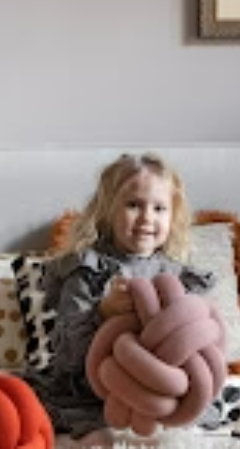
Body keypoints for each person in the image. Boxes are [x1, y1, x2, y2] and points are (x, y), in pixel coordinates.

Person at [23, 152, 219, 438]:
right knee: (104, 435)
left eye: (159, 208)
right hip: (94, 393)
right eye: (133, 205)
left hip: (162, 391)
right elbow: (67, 357)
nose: (146, 218)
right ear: (107, 211)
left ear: (173, 215)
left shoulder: (180, 277)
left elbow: (199, 347)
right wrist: (102, 312)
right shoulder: (87, 271)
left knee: (187, 426)